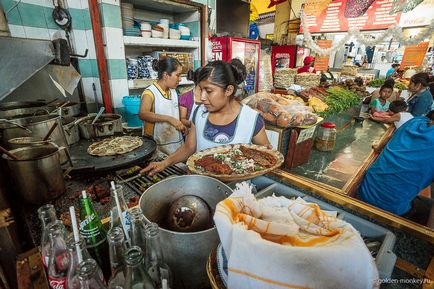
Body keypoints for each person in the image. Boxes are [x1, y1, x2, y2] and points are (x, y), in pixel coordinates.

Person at [141, 60, 271, 176]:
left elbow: (266, 156)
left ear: (228, 90)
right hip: (203, 188)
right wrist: (164, 163)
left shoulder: (251, 119)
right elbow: (189, 147)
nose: (202, 97)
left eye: (208, 91)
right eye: (201, 90)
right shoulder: (199, 112)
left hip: (236, 195)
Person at [359, 112, 434, 220]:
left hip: (365, 190)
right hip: (391, 208)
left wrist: (378, 148)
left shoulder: (415, 121)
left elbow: (386, 141)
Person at [139, 57, 185, 155]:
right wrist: (169, 119)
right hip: (156, 145)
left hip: (175, 143)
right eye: (178, 75)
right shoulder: (150, 92)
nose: (180, 79)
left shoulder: (174, 91)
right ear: (165, 75)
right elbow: (143, 114)